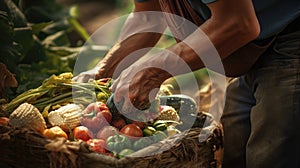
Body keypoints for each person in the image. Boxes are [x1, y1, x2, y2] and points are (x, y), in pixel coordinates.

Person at [74, 0, 300, 167]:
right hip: (255, 47)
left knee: (272, 152)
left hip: (290, 34)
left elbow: (238, 23)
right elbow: (149, 15)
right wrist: (102, 72)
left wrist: (154, 70)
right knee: (234, 141)